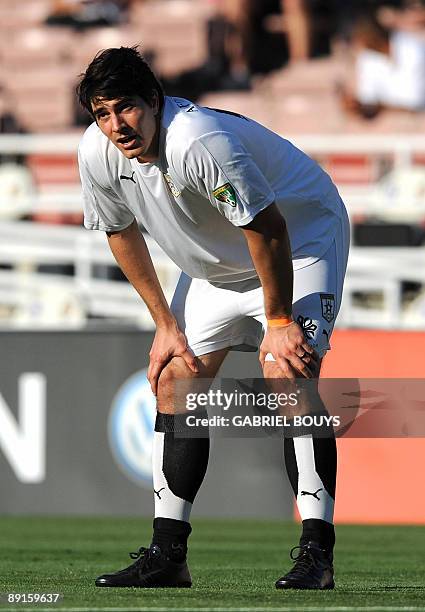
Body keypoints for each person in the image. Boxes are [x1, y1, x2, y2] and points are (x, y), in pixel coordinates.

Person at [77, 46, 350, 590]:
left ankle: (317, 555)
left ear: (154, 101)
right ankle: (167, 556)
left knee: (286, 375)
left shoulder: (198, 140)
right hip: (215, 267)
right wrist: (163, 323)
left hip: (298, 244)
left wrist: (278, 322)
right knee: (176, 380)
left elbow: (267, 227)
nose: (116, 125)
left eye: (127, 107)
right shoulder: (97, 151)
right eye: (102, 113)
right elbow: (119, 231)